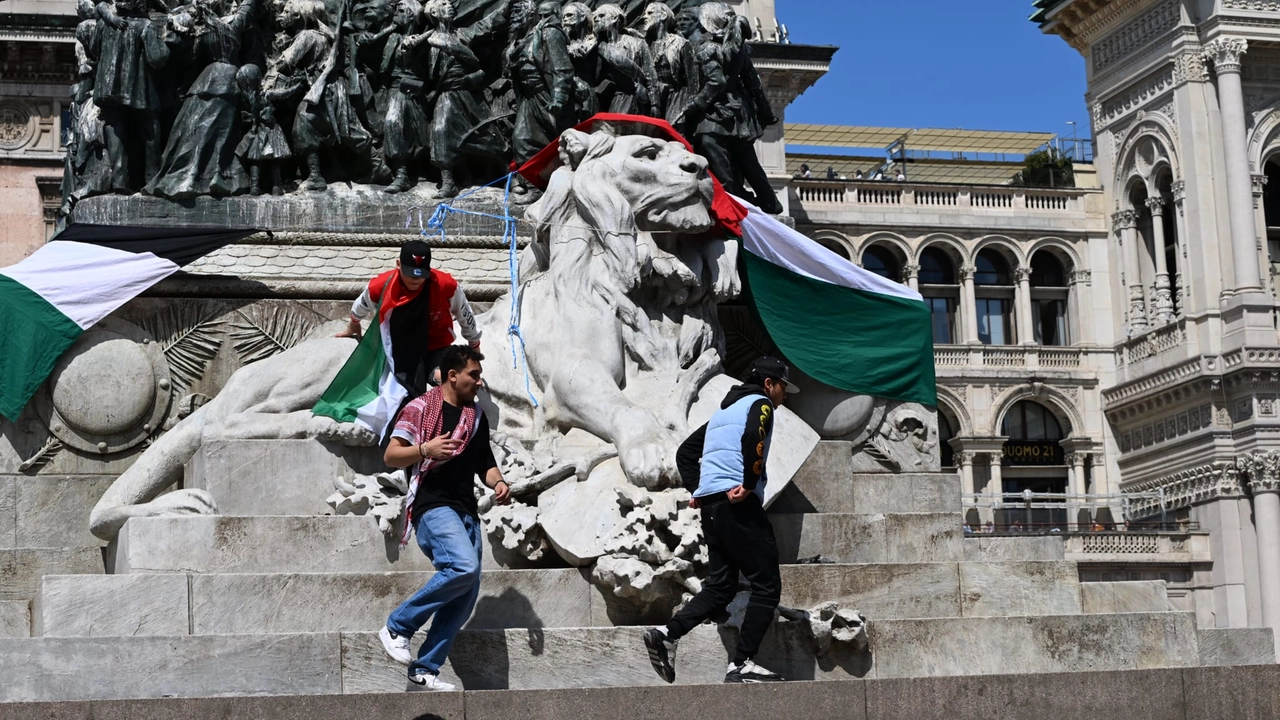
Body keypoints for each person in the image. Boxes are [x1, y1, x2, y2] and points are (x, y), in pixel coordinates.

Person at [643, 356, 799, 685]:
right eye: (784, 387)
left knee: (721, 586)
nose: (786, 395)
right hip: (738, 503)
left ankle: (666, 634)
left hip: (713, 506)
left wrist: (700, 489)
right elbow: (754, 439)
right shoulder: (761, 404)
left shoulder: (722, 413)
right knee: (767, 585)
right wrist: (747, 480)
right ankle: (741, 663)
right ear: (769, 384)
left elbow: (686, 452)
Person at [378, 345, 511, 691]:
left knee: (465, 594)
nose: (479, 382)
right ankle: (397, 626)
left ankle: (425, 669)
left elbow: (485, 462)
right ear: (453, 375)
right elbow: (392, 455)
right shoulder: (419, 408)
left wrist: (498, 483)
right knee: (463, 568)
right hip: (432, 506)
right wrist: (425, 450)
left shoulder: (475, 417)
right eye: (474, 375)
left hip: (467, 511)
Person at [339, 239, 482, 410]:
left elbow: (465, 314)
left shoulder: (445, 285)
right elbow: (359, 306)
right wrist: (353, 324)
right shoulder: (380, 286)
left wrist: (474, 344)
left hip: (437, 347)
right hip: (400, 351)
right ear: (398, 264)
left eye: (421, 274)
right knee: (402, 399)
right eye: (410, 273)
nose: (416, 279)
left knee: (450, 378)